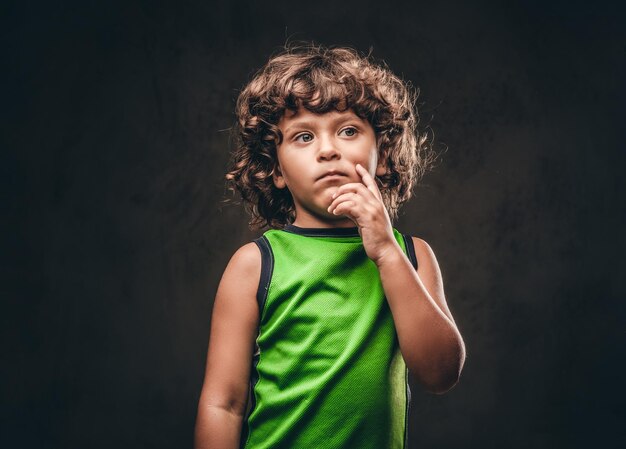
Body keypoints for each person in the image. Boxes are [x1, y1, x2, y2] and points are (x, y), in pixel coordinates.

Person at [194, 44, 466, 449]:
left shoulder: (411, 255)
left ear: (384, 155)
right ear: (276, 170)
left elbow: (440, 373)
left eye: (349, 130)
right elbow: (224, 403)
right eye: (304, 136)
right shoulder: (255, 264)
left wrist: (387, 253)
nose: (328, 149)